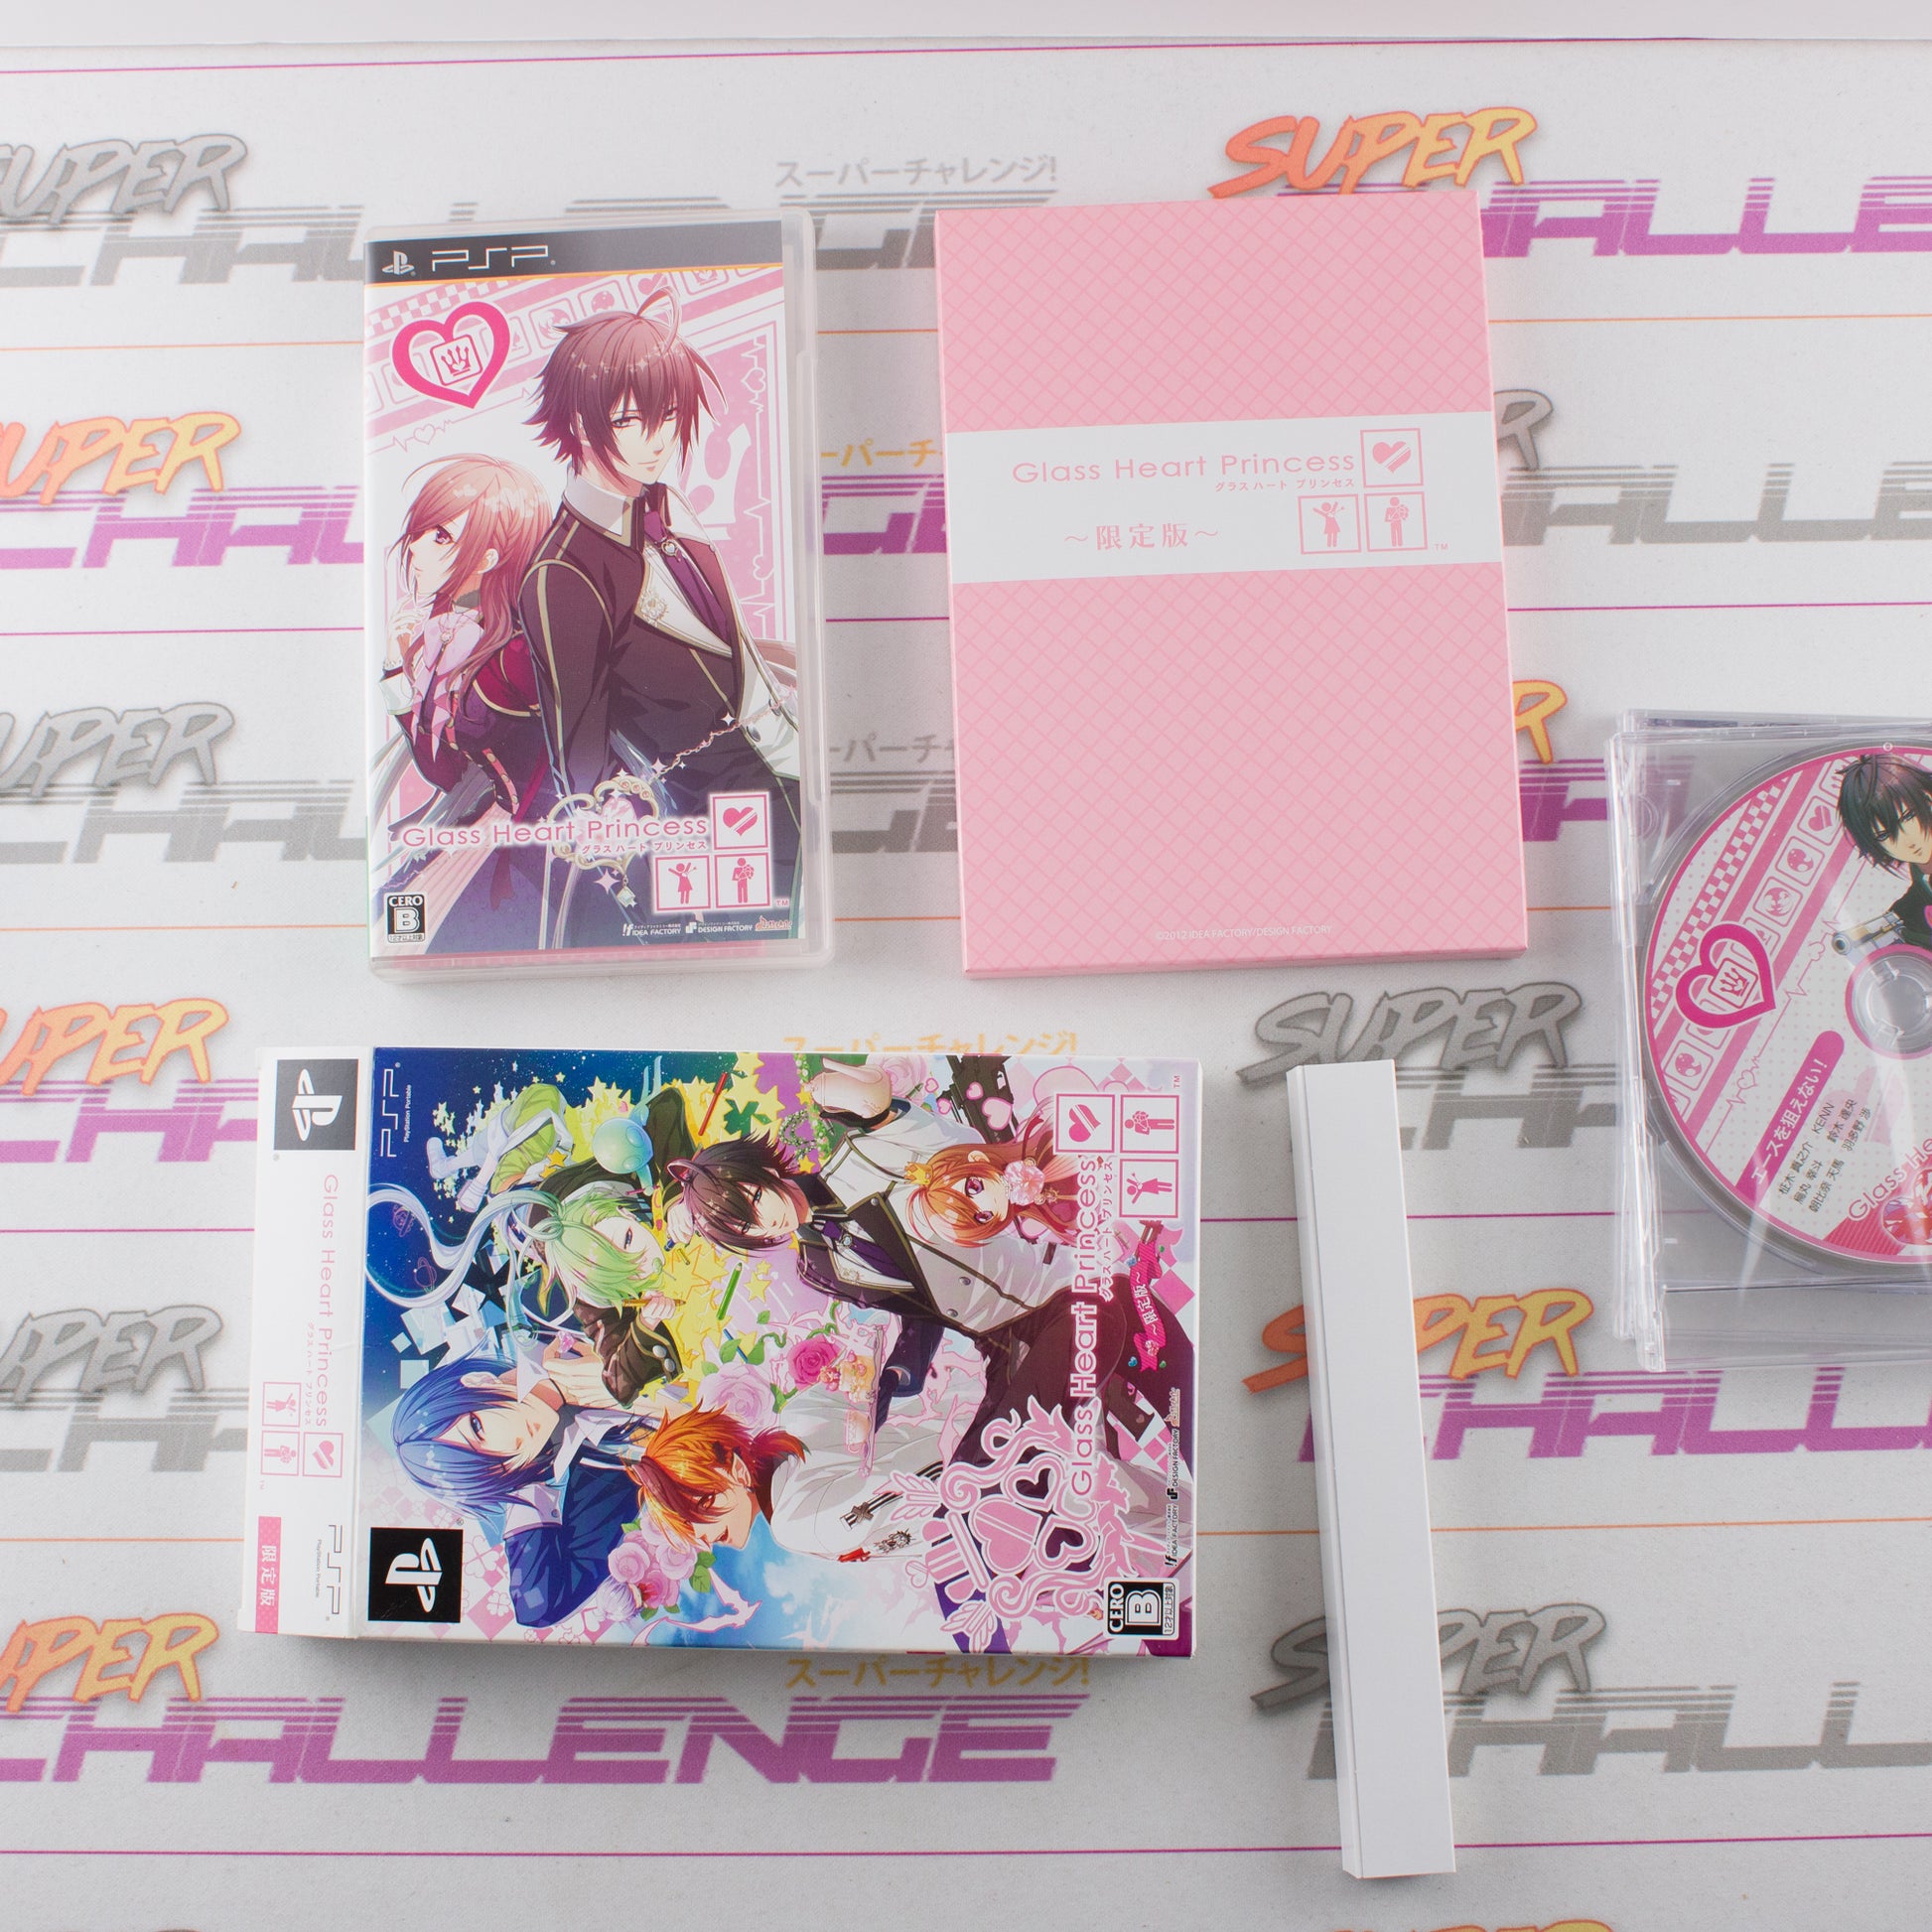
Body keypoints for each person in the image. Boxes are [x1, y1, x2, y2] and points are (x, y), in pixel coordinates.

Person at [518, 289, 801, 945]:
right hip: (718, 818)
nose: (657, 440)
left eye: (669, 414)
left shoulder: (666, 504)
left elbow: (709, 639)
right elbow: (578, 744)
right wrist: (607, 830)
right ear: (578, 423)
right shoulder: (564, 573)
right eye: (628, 421)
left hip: (790, 764)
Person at [374, 454, 553, 951]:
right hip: (494, 819)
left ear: (490, 558)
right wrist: (397, 669)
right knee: (395, 924)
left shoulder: (518, 653)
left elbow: (461, 747)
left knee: (419, 933)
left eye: (441, 537)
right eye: (420, 532)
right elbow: (445, 770)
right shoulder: (447, 631)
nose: (415, 549)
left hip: (547, 834)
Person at [1836, 753, 1932, 952]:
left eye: (1908, 816)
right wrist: (1886, 921)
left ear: (1927, 797)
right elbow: (1917, 897)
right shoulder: (1919, 870)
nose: (1907, 840)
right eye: (1884, 835)